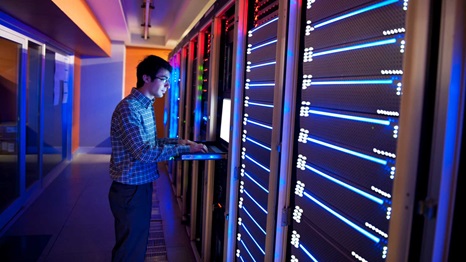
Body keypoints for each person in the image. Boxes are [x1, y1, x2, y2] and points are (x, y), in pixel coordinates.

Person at [108, 55, 207, 261]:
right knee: (130, 247)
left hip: (140, 185)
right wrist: (183, 151)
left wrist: (179, 142)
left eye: (169, 81)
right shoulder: (129, 109)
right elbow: (143, 153)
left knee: (136, 243)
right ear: (146, 78)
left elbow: (150, 144)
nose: (167, 86)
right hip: (130, 189)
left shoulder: (145, 105)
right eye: (163, 79)